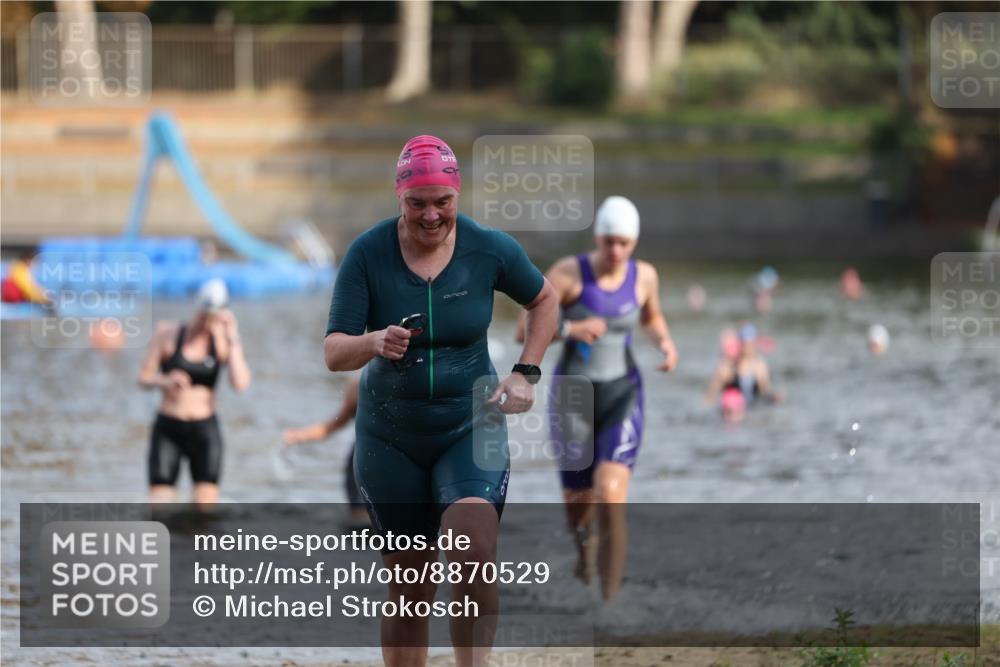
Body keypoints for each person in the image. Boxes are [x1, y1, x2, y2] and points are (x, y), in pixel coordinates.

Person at [323, 135, 559, 667]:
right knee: (411, 588)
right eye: (417, 203)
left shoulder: (489, 248)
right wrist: (371, 342)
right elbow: (335, 352)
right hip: (390, 435)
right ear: (398, 197)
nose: (431, 215)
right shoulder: (368, 254)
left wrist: (526, 372)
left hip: (469, 424)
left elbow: (545, 300)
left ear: (457, 194)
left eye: (442, 202)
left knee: (473, 556)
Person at [521, 195, 678, 602]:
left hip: (621, 391)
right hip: (573, 395)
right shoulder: (570, 273)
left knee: (611, 492)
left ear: (635, 242)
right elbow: (524, 328)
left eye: (623, 244)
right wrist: (571, 329)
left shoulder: (644, 277)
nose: (615, 252)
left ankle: (610, 605)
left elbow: (651, 316)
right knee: (579, 505)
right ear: (597, 237)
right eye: (608, 242)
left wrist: (664, 341)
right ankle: (584, 556)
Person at [137, 279, 251, 508]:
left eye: (215, 315)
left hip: (204, 430)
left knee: (205, 511)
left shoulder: (222, 341)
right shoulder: (168, 333)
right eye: (206, 314)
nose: (209, 322)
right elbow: (143, 378)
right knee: (160, 508)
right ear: (198, 308)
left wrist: (233, 339)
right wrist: (165, 380)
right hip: (169, 427)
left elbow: (240, 385)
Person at [282, 374, 369, 527]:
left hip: (401, 459)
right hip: (363, 461)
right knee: (362, 526)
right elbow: (334, 424)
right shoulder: (359, 384)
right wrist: (300, 436)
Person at [704, 323, 782, 414]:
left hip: (752, 410)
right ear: (739, 344)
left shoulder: (759, 366)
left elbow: (764, 391)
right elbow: (712, 392)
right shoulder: (727, 366)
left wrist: (773, 397)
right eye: (746, 344)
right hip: (730, 410)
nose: (748, 347)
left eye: (751, 344)